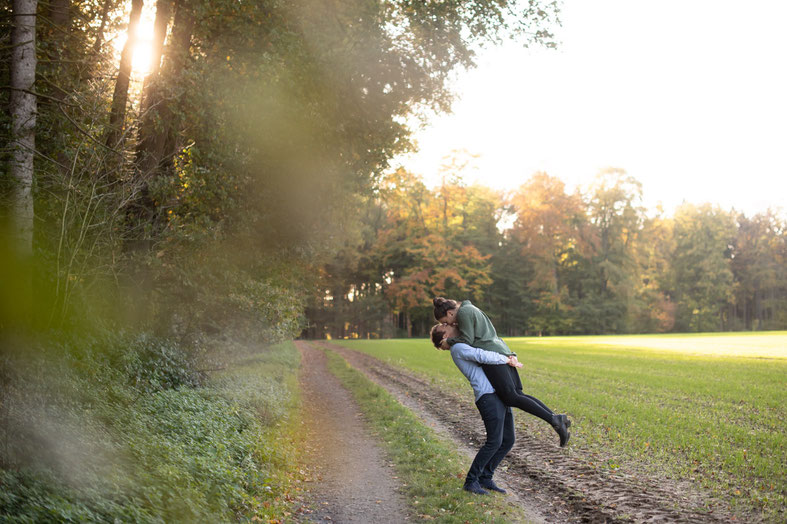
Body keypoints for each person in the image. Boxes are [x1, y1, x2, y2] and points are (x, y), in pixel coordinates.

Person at [433, 297, 571, 447]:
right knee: (518, 394)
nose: (450, 324)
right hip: (501, 352)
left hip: (494, 358)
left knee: (511, 397)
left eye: (445, 322)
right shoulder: (471, 309)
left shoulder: (464, 313)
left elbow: (467, 340)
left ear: (450, 313)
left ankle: (554, 420)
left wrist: (449, 342)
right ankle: (556, 418)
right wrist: (509, 354)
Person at [429, 323, 519, 495]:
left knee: (508, 440)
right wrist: (507, 359)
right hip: (488, 396)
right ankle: (471, 481)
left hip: (498, 393)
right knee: (494, 441)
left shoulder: (463, 342)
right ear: (444, 337)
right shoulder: (458, 348)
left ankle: (486, 477)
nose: (450, 325)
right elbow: (481, 355)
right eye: (445, 326)